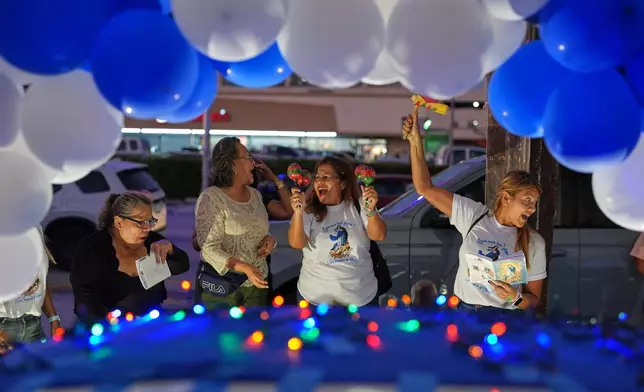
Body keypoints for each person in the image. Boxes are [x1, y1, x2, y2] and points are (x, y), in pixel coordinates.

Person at [402, 109, 546, 312]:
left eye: (535, 202)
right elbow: (425, 188)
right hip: (465, 313)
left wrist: (516, 297)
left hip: (504, 320)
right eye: (527, 200)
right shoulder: (474, 216)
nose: (532, 208)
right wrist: (415, 142)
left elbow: (534, 301)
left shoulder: (534, 242)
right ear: (506, 197)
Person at [70, 192, 189, 320]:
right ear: (119, 222)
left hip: (148, 327)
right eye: (141, 222)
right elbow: (85, 297)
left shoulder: (152, 242)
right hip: (106, 331)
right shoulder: (92, 248)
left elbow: (181, 265)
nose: (147, 228)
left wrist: (171, 249)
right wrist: (110, 324)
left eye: (150, 222)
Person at [288, 156, 387, 307]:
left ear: (342, 184)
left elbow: (378, 235)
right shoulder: (307, 210)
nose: (320, 181)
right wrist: (298, 213)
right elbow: (296, 243)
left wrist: (371, 209)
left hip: (361, 298)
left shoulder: (359, 205)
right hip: (315, 300)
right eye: (317, 177)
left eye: (326, 177)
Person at [194, 137, 276, 309]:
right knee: (222, 336)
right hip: (222, 289)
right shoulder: (212, 197)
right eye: (248, 158)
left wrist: (270, 241)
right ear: (232, 164)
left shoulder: (256, 196)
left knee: (255, 335)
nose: (253, 164)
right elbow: (208, 247)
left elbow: (257, 231)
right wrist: (243, 267)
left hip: (257, 286)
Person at [0, 229, 61, 354]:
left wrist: (54, 319)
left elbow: (41, 281)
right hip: (4, 326)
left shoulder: (35, 229)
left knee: (38, 372)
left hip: (34, 325)